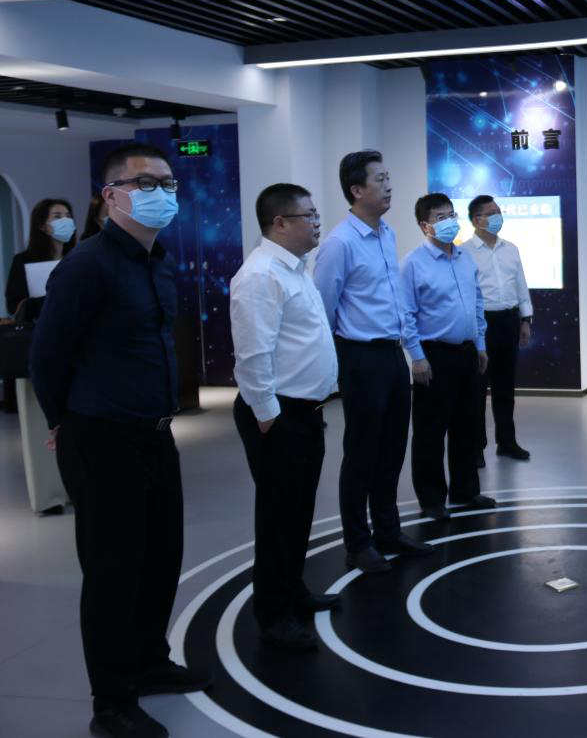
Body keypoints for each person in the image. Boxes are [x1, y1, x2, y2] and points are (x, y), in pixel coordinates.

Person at [29, 142, 209, 738]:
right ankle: (111, 702)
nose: (163, 193)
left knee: (160, 557)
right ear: (112, 196)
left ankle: (148, 661)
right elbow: (48, 356)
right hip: (102, 439)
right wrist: (62, 421)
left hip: (154, 433)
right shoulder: (86, 266)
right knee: (112, 572)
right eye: (147, 183)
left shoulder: (158, 261)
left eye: (169, 183)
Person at [230, 184, 339, 652]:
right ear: (279, 223)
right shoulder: (260, 275)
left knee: (298, 511)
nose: (316, 222)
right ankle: (273, 615)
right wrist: (269, 416)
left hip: (305, 411)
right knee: (277, 517)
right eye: (308, 215)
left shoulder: (295, 268)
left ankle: (293, 590)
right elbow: (253, 355)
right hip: (279, 415)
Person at [313, 150, 432, 576]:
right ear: (356, 189)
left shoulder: (386, 234)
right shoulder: (339, 244)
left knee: (392, 449)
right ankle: (357, 544)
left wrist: (411, 350)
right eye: (379, 179)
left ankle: (388, 532)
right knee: (361, 454)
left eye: (388, 177)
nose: (389, 185)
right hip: (360, 357)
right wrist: (334, 368)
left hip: (392, 355)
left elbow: (395, 300)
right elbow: (323, 310)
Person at [403, 193, 495, 522]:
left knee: (467, 425)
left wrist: (480, 344)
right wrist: (416, 356)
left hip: (468, 352)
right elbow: (405, 314)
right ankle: (431, 499)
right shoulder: (413, 263)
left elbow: (478, 303)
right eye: (440, 217)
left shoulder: (465, 258)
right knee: (430, 430)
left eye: (451, 215)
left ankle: (465, 491)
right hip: (434, 356)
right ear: (425, 225)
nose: (449, 222)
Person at [466, 195, 533, 462]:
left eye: (498, 212)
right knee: (476, 389)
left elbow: (521, 285)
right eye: (491, 213)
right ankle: (476, 447)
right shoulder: (464, 252)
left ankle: (507, 442)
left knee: (505, 387)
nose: (497, 217)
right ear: (476, 219)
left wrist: (525, 320)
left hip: (509, 321)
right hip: (481, 324)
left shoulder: (511, 249)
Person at [6, 197, 77, 317]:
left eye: (68, 216)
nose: (65, 221)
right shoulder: (23, 260)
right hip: (40, 324)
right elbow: (13, 306)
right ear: (42, 226)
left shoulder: (78, 258)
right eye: (57, 216)